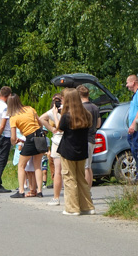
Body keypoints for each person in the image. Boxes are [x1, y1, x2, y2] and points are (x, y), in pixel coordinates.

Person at [56, 88, 95, 216]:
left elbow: (59, 129)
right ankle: (87, 207)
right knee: (81, 179)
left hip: (68, 151)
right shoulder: (86, 115)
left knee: (69, 178)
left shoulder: (67, 116)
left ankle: (72, 208)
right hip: (82, 150)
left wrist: (59, 114)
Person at [8, 94, 47, 198]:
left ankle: (21, 191)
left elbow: (13, 137)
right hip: (40, 136)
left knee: (21, 165)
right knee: (37, 165)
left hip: (30, 139)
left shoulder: (13, 116)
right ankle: (39, 191)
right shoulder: (30, 109)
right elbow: (40, 123)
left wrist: (14, 141)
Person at [39, 94, 63, 205]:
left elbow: (41, 118)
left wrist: (52, 128)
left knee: (58, 170)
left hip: (58, 139)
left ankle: (56, 197)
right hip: (67, 140)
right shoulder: (69, 109)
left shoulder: (54, 112)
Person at [77, 85, 102, 191]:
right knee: (89, 166)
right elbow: (98, 124)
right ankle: (88, 190)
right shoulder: (95, 107)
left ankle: (86, 191)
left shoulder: (81, 108)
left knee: (85, 167)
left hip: (83, 139)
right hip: (92, 138)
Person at [126, 74, 138, 179]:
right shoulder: (137, 94)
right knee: (135, 150)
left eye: (127, 82)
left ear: (133, 82)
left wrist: (134, 124)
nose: (126, 85)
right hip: (135, 127)